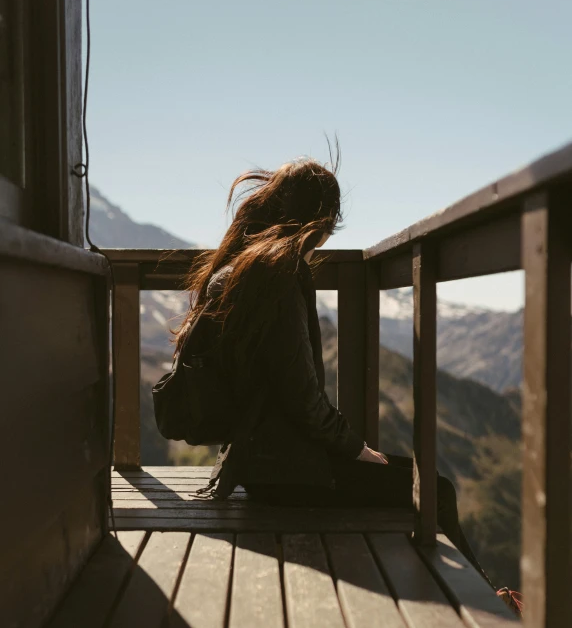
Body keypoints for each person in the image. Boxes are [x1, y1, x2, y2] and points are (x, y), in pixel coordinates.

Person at [174, 147, 522, 617]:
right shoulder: (277, 275)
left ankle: (484, 598)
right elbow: (302, 398)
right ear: (318, 221)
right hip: (284, 472)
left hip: (255, 462)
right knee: (434, 491)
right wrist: (356, 448)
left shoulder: (235, 270)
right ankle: (488, 610)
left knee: (424, 485)